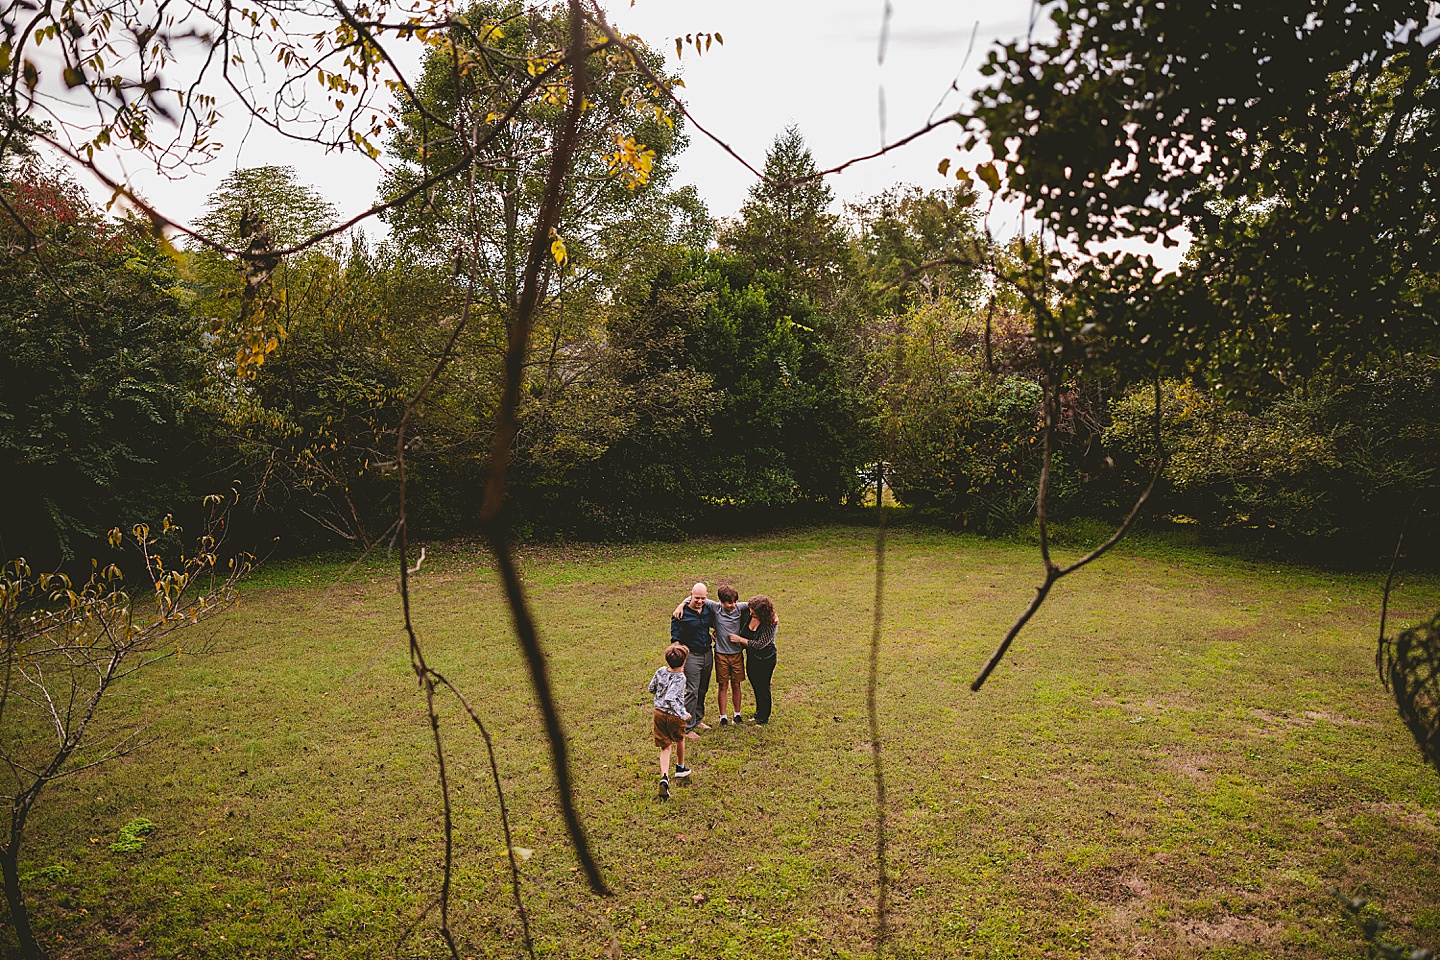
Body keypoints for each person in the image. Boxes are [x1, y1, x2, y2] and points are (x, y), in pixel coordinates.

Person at [673, 583, 748, 726]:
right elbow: (695, 598)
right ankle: (709, 720)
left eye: (735, 602)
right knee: (707, 688)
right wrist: (681, 605)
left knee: (720, 686)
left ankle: (728, 716)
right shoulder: (710, 609)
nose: (733, 605)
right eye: (729, 602)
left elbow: (757, 604)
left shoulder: (731, 608)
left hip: (723, 654)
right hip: (708, 655)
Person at [670, 582, 718, 738]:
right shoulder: (680, 614)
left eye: (703, 598)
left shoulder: (707, 611)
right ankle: (687, 727)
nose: (700, 601)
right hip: (691, 656)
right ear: (690, 595)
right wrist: (680, 663)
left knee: (703, 688)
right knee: (691, 691)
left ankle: (698, 719)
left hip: (707, 654)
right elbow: (675, 641)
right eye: (697, 598)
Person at [647, 643, 693, 800]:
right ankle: (680, 767)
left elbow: (651, 688)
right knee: (679, 739)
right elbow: (671, 698)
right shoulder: (680, 678)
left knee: (665, 746)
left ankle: (664, 776)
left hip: (659, 713)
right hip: (673, 715)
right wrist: (683, 713)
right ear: (684, 662)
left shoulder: (661, 671)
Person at [730, 594, 778, 725]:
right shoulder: (747, 610)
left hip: (766, 658)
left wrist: (739, 639)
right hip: (752, 658)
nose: (751, 614)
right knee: (756, 685)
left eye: (755, 613)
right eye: (751, 611)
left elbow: (759, 644)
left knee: (763, 687)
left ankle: (763, 718)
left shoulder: (771, 623)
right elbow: (730, 606)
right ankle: (758, 713)